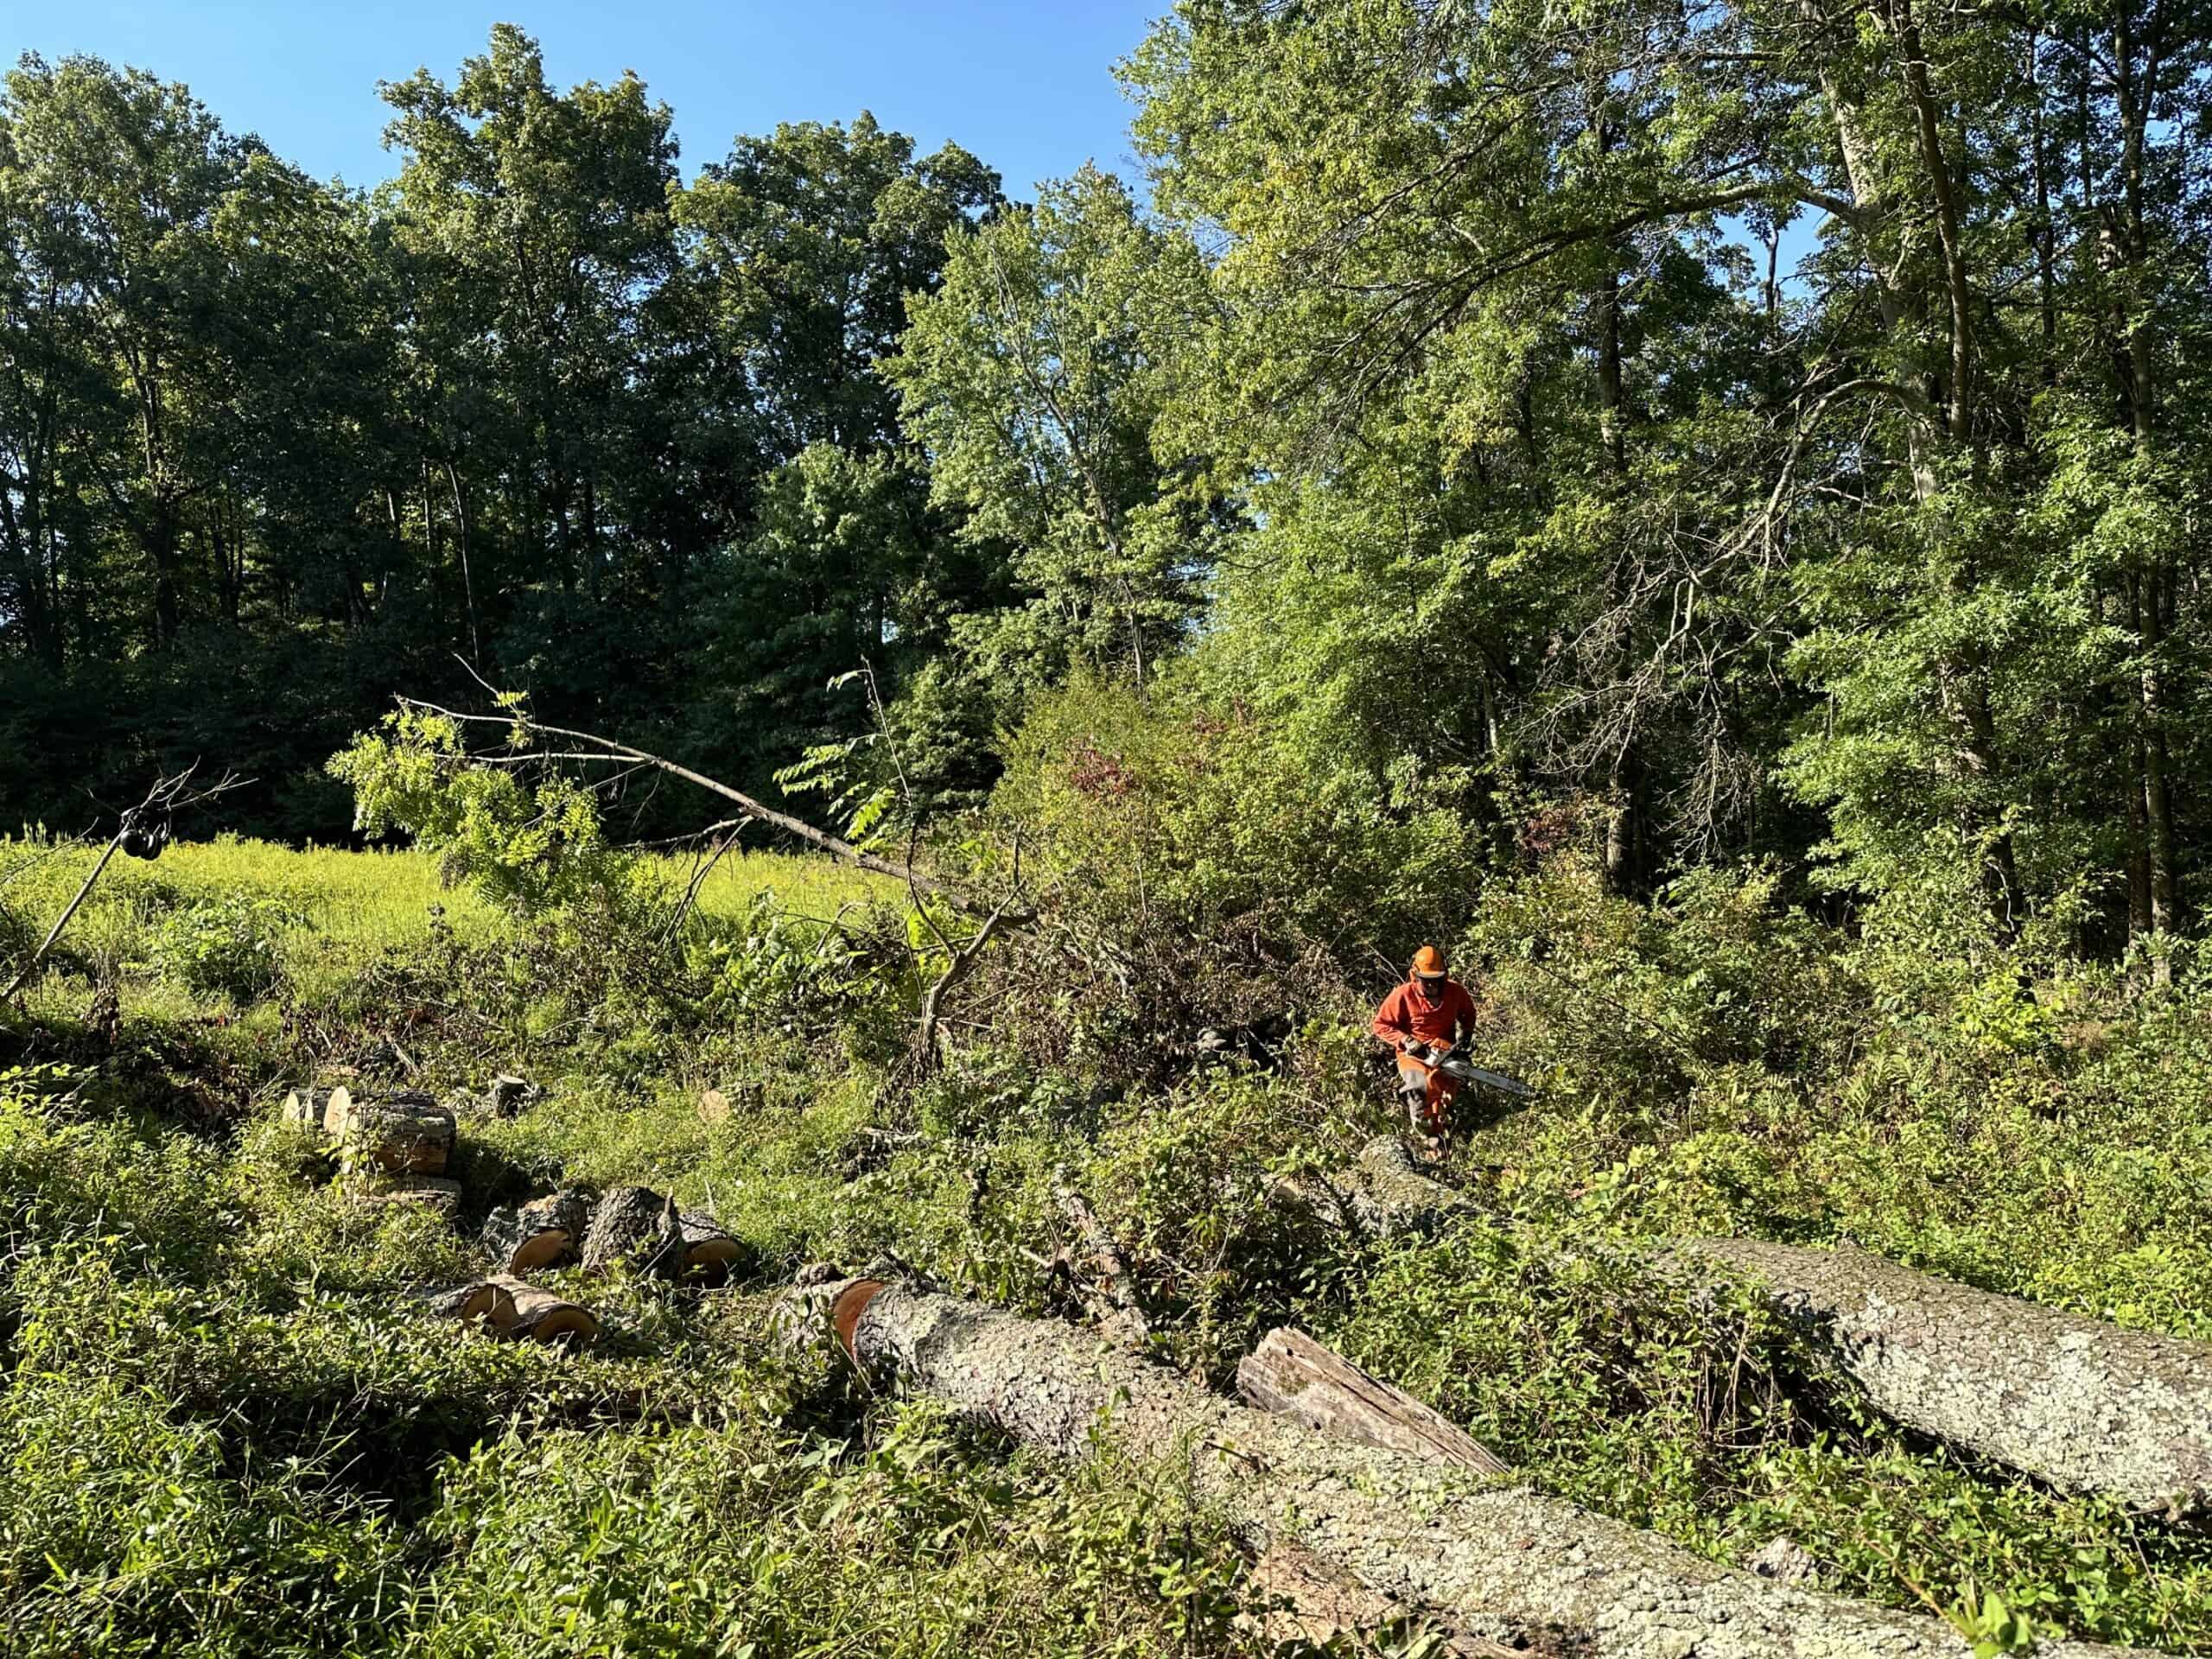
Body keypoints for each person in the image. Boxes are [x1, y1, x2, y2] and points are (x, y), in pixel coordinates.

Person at [1370, 945, 1478, 1149]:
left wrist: (1465, 1035)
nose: (1431, 985)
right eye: (1426, 980)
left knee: (1449, 1093)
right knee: (1418, 1086)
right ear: (1415, 976)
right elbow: (1380, 1024)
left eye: (1436, 979)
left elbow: (1468, 1014)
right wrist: (1406, 1040)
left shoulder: (1455, 992)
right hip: (1414, 1054)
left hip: (1445, 1051)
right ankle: (1429, 1138)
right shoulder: (1403, 995)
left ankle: (1453, 1136)